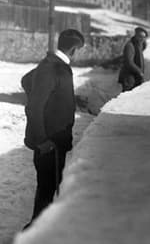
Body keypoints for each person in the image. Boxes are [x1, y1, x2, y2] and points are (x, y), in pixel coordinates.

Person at [21, 29, 85, 228]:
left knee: (50, 189)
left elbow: (26, 80)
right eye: (79, 50)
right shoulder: (51, 67)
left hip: (56, 142)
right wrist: (42, 140)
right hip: (49, 144)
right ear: (74, 49)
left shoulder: (52, 65)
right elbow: (34, 107)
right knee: (47, 191)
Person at [118, 27, 147, 92]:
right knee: (127, 96)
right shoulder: (130, 46)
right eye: (140, 36)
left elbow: (144, 47)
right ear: (136, 36)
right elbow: (129, 62)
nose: (142, 39)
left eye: (144, 37)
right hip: (129, 78)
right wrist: (139, 72)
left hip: (135, 77)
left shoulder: (138, 45)